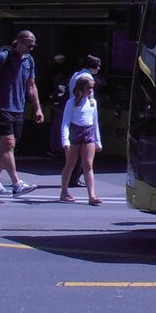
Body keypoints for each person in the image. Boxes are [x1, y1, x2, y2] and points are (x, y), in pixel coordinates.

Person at [0, 31, 42, 196]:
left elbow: (31, 85)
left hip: (18, 109)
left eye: (33, 46)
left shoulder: (29, 60)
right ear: (19, 42)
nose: (31, 48)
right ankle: (17, 183)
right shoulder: (3, 58)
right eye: (28, 45)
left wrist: (37, 107)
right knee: (9, 144)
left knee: (4, 148)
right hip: (2, 107)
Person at [59, 74, 102, 205]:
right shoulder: (71, 102)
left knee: (88, 164)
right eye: (88, 88)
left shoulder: (93, 102)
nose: (90, 90)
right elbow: (65, 122)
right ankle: (64, 191)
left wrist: (98, 141)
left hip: (88, 133)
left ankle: (92, 195)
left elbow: (95, 123)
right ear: (81, 88)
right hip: (75, 132)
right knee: (70, 164)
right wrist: (65, 140)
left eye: (92, 88)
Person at [64, 54, 103, 188]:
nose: (99, 68)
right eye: (98, 66)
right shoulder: (88, 78)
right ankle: (74, 179)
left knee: (74, 157)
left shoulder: (76, 74)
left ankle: (72, 179)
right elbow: (90, 97)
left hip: (75, 110)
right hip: (81, 114)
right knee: (83, 158)